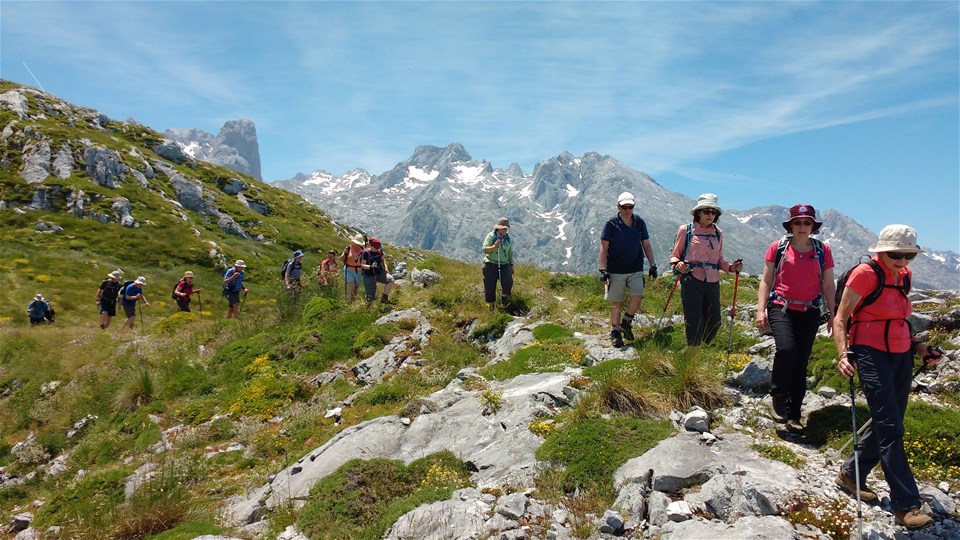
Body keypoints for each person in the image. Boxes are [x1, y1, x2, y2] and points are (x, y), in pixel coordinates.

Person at [834, 224, 943, 530]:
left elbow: (902, 319)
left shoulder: (903, 276)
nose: (904, 260)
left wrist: (920, 347)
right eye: (897, 254)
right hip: (869, 353)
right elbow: (841, 318)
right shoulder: (865, 274)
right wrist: (844, 353)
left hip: (901, 353)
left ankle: (851, 474)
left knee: (889, 421)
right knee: (891, 427)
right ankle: (906, 506)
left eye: (910, 255)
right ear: (882, 250)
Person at [756, 204, 836, 434]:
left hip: (809, 311)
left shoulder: (822, 250)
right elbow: (766, 280)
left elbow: (828, 284)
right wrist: (761, 310)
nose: (802, 227)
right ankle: (778, 396)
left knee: (801, 362)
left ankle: (794, 415)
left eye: (807, 222)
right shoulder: (778, 247)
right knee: (787, 349)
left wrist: (833, 314)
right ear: (791, 225)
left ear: (813, 226)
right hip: (781, 307)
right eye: (798, 222)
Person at [668, 194, 743, 352]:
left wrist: (731, 267)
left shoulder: (718, 233)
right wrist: (677, 264)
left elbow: (719, 259)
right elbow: (675, 255)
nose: (710, 215)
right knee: (694, 318)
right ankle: (692, 354)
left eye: (713, 212)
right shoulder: (686, 230)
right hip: (691, 278)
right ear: (699, 213)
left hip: (713, 280)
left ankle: (695, 349)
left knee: (715, 320)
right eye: (706, 211)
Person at [599, 192, 658, 347]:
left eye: (630, 207)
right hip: (616, 269)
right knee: (616, 302)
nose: (627, 210)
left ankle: (626, 322)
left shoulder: (639, 222)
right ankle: (616, 332)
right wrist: (603, 269)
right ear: (618, 206)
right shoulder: (611, 224)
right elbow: (604, 248)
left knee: (637, 296)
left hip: (635, 267)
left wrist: (653, 264)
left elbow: (646, 244)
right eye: (624, 207)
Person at [481, 218, 514, 309]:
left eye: (506, 228)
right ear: (498, 228)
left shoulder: (508, 239)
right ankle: (490, 306)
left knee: (508, 282)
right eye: (503, 228)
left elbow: (510, 253)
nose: (505, 230)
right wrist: (494, 247)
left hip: (504, 264)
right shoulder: (491, 236)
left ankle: (504, 303)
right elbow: (485, 250)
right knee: (490, 285)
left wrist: (511, 265)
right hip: (490, 264)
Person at [361, 238, 395, 304]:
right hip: (369, 275)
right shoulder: (366, 253)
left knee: (390, 280)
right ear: (371, 245)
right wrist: (371, 266)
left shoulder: (379, 251)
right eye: (376, 247)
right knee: (370, 297)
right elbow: (362, 265)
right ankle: (368, 308)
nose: (377, 248)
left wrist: (386, 267)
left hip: (379, 272)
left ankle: (384, 297)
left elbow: (383, 259)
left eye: (378, 247)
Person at [341, 234, 365, 302]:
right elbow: (342, 259)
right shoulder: (348, 248)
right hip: (349, 270)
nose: (357, 245)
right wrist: (345, 254)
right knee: (351, 287)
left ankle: (353, 301)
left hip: (359, 272)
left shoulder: (363, 250)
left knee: (355, 288)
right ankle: (349, 302)